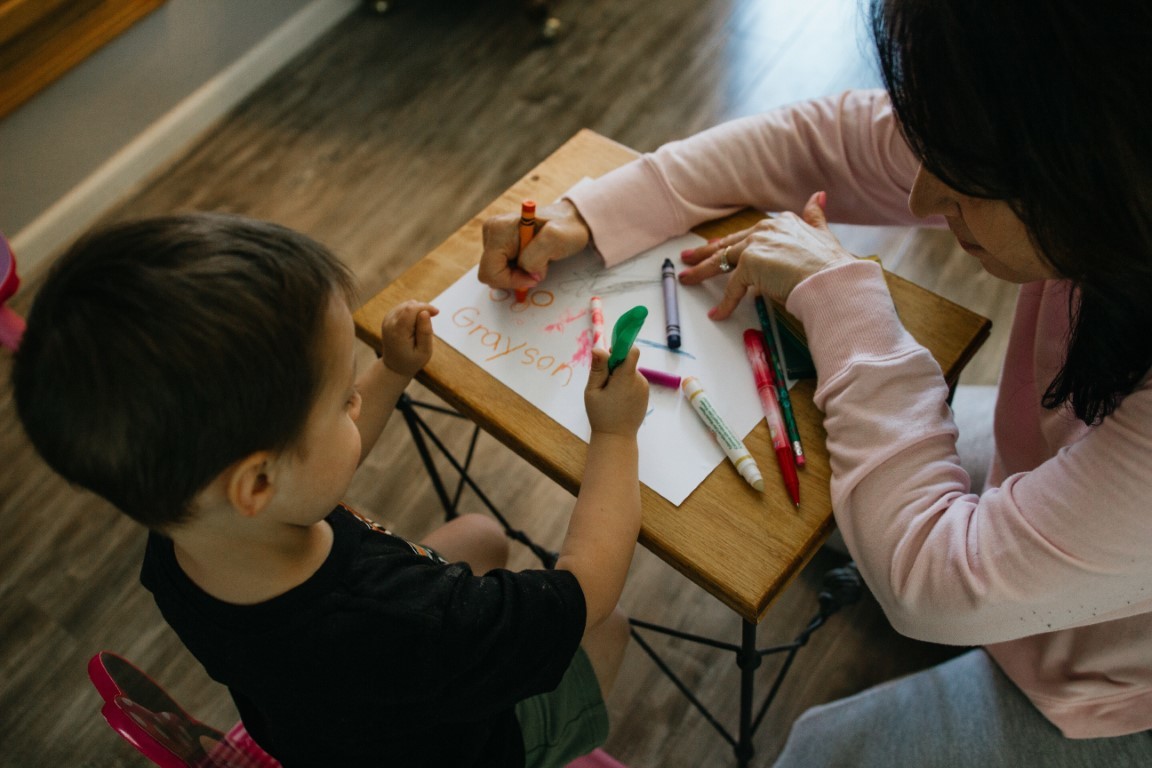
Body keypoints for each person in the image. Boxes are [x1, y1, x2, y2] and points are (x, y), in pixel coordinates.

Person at [477, 0, 1152, 764]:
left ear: (1095, 167)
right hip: (1062, 493)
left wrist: (844, 297)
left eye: (964, 183)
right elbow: (824, 140)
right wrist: (590, 212)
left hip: (1116, 687)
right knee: (838, 484)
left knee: (820, 746)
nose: (924, 200)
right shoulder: (1089, 148)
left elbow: (933, 581)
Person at [12, 212, 649, 767]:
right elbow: (586, 592)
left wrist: (392, 370)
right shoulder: (407, 622)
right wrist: (616, 434)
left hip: (326, 735)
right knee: (611, 626)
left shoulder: (183, 533)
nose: (356, 403)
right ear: (257, 482)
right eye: (345, 400)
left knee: (480, 534)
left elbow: (309, 471)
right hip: (467, 749)